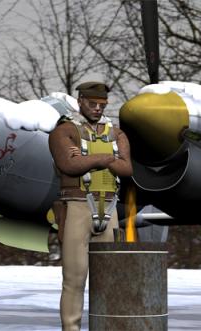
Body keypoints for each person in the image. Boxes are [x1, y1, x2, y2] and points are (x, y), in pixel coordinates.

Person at [48, 81, 133, 331]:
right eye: (92, 103)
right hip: (77, 206)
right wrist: (108, 158)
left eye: (102, 104)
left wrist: (89, 160)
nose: (97, 108)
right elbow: (70, 165)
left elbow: (127, 169)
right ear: (80, 102)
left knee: (108, 279)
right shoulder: (65, 131)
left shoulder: (116, 133)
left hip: (109, 207)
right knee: (74, 278)